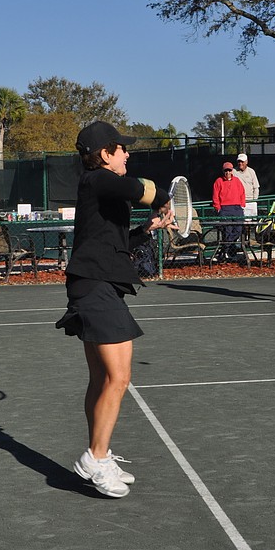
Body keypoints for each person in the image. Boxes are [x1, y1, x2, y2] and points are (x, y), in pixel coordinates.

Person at [54, 120, 175, 498]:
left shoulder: (100, 189)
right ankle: (95, 456)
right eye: (122, 148)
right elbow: (139, 189)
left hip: (94, 284)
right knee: (120, 378)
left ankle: (100, 454)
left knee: (102, 379)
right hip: (95, 289)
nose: (127, 153)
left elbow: (112, 239)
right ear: (105, 153)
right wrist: (163, 195)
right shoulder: (99, 179)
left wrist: (149, 229)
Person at [212, 161, 246, 262]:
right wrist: (218, 208)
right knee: (227, 231)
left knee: (238, 230)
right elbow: (215, 196)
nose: (228, 172)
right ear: (223, 171)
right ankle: (227, 252)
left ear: (232, 171)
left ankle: (223, 250)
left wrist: (242, 205)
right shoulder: (218, 181)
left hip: (237, 209)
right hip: (225, 209)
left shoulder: (237, 181)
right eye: (226, 170)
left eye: (229, 170)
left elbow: (242, 193)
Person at [234, 153, 261, 219]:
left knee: (251, 223)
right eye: (239, 161)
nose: (240, 163)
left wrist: (254, 200)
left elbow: (256, 187)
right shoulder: (233, 172)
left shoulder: (251, 172)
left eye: (242, 161)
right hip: (238, 202)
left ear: (246, 162)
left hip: (250, 201)